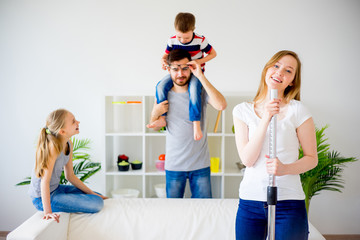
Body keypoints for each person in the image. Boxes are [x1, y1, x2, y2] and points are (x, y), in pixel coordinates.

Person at [232, 50, 318, 239]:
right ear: (266, 70)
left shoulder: (298, 110)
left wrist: (285, 168)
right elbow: (248, 159)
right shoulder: (242, 111)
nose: (280, 72)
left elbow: (312, 159)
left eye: (288, 71)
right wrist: (266, 117)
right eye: (276, 66)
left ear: (292, 81)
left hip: (288, 202)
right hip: (250, 202)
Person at [148, 49, 226, 198]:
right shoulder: (163, 94)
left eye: (184, 68)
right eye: (175, 69)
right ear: (169, 69)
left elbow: (222, 105)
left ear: (190, 67)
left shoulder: (200, 92)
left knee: (204, 210)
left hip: (200, 165)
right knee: (174, 211)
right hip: (174, 165)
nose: (180, 74)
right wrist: (155, 112)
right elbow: (155, 127)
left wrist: (200, 76)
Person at [147, 12, 217, 141]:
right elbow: (165, 55)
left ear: (193, 30)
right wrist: (163, 61)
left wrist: (198, 62)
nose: (182, 40)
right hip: (179, 71)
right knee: (160, 86)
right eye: (179, 37)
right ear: (175, 31)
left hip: (194, 72)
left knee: (194, 92)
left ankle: (196, 123)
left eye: (186, 37)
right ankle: (162, 117)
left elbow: (213, 54)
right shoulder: (172, 40)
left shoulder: (200, 40)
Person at [28, 109, 106, 223]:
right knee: (97, 203)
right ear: (62, 131)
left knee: (98, 196)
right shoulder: (52, 147)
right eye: (73, 121)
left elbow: (70, 176)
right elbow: (44, 182)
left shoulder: (68, 143)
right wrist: (48, 212)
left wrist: (92, 193)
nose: (78, 122)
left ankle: (94, 195)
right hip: (41, 198)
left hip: (57, 189)